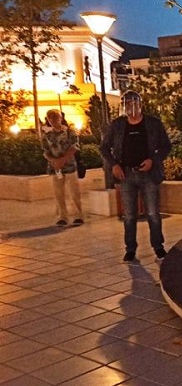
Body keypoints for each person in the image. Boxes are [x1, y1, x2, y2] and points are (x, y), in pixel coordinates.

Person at [101, 90, 172, 263]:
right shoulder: (117, 125)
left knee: (153, 213)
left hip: (148, 174)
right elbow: (104, 148)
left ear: (140, 104)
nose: (131, 107)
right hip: (126, 174)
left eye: (134, 103)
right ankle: (130, 249)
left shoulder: (153, 123)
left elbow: (166, 146)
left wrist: (153, 160)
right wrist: (114, 165)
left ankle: (158, 247)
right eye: (127, 104)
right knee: (129, 215)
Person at [41, 109, 84, 226]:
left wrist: (62, 160)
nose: (53, 120)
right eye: (50, 118)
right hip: (55, 168)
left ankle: (78, 215)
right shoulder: (47, 135)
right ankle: (62, 216)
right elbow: (45, 151)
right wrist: (54, 161)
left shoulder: (70, 132)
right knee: (58, 193)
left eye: (56, 117)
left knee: (74, 192)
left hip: (70, 166)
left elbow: (74, 147)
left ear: (61, 118)